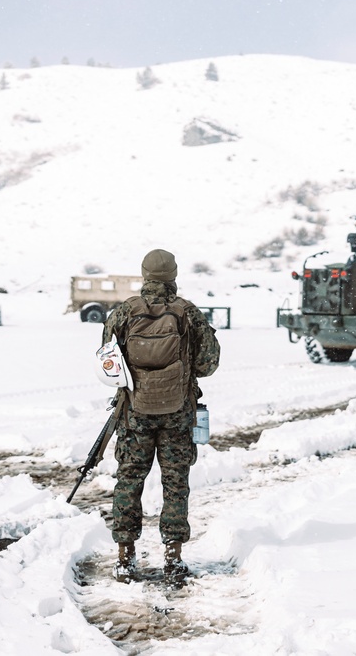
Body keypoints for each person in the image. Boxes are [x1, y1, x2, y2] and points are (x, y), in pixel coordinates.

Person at [101, 248, 220, 583]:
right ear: (173, 276)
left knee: (129, 480)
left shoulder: (124, 313)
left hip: (133, 414)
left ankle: (125, 556)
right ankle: (173, 556)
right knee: (175, 484)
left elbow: (107, 363)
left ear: (144, 275)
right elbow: (208, 364)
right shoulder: (188, 313)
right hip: (177, 414)